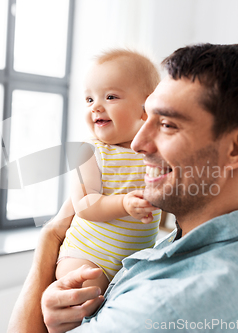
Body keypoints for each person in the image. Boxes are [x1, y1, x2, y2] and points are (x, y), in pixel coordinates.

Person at [7, 43, 238, 333]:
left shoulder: (153, 312)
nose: (137, 145)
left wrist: (48, 241)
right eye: (149, 117)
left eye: (168, 124)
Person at [56, 49, 162, 293]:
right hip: (88, 256)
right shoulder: (89, 152)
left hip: (134, 261)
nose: (96, 107)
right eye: (89, 99)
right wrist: (124, 204)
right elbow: (84, 204)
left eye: (110, 97)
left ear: (147, 108)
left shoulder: (154, 151)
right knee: (86, 291)